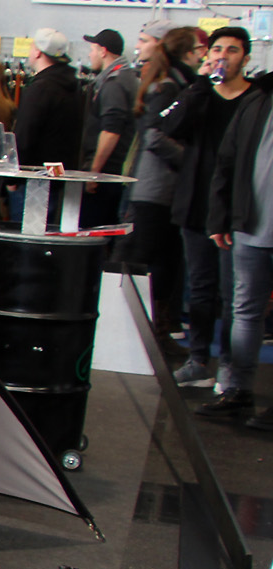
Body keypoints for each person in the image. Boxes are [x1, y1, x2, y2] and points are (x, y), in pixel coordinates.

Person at [162, 26, 258, 391]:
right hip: (197, 202)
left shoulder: (256, 99)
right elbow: (169, 125)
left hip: (239, 207)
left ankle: (231, 366)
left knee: (234, 294)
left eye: (232, 50)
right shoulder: (199, 93)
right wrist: (200, 84)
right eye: (217, 49)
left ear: (245, 58)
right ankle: (198, 360)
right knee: (199, 288)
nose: (223, 56)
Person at [198, 58, 273, 422]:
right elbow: (227, 159)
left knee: (245, 310)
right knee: (245, 310)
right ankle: (238, 391)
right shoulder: (258, 98)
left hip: (252, 226)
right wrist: (220, 216)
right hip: (251, 226)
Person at [119, 26, 202, 345]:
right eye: (199, 50)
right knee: (149, 261)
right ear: (187, 53)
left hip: (162, 187)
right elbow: (154, 135)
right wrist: (191, 159)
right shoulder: (170, 88)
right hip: (156, 188)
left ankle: (155, 332)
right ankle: (141, 334)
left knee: (162, 261)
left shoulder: (178, 84)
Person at [79, 28, 137, 226]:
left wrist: (94, 173)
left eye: (92, 49)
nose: (90, 55)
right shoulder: (125, 77)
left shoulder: (114, 83)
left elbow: (111, 131)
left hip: (107, 174)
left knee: (95, 230)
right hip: (113, 171)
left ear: (103, 51)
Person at [14, 28, 85, 170]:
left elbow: (24, 136)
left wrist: (13, 175)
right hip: (62, 171)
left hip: (35, 173)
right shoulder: (73, 86)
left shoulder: (40, 89)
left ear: (37, 52)